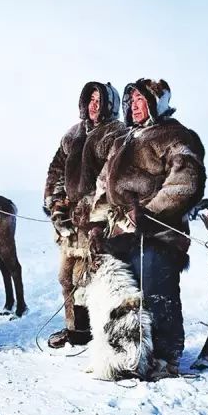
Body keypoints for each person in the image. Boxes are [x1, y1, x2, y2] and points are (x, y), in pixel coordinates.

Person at [90, 78, 206, 375]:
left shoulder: (176, 136)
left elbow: (186, 182)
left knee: (156, 289)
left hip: (159, 233)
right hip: (119, 232)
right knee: (123, 297)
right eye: (131, 100)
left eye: (141, 99)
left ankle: (167, 357)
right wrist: (97, 224)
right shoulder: (123, 140)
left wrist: (148, 214)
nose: (134, 105)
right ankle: (129, 354)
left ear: (157, 103)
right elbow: (104, 186)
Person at [43, 81, 127, 348]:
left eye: (99, 99)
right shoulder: (73, 134)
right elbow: (56, 170)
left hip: (99, 222)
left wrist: (91, 211)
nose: (94, 104)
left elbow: (110, 178)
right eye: (90, 99)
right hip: (69, 222)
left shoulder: (116, 133)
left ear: (109, 103)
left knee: (90, 278)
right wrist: (57, 204)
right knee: (66, 277)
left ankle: (96, 333)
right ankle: (75, 329)